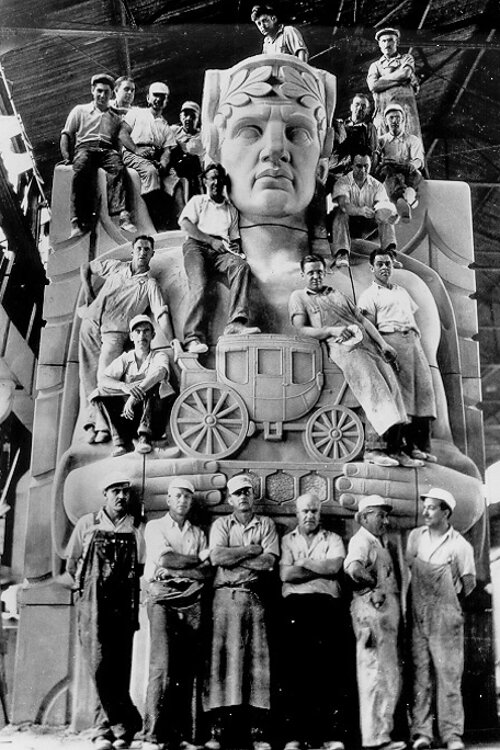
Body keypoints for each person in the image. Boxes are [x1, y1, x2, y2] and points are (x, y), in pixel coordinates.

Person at [289, 255, 424, 468]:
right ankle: (374, 449)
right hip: (344, 349)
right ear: (303, 274)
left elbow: (362, 321)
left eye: (319, 271)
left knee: (393, 386)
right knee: (374, 387)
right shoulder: (299, 297)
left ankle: (396, 449)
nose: (315, 276)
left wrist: (383, 345)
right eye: (311, 272)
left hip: (368, 345)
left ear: (325, 272)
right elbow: (301, 329)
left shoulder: (338, 294)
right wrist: (330, 330)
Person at [66, 471, 145, 750]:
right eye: (115, 491)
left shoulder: (136, 527)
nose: (121, 497)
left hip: (123, 603)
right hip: (92, 603)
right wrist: (86, 593)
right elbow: (72, 564)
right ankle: (122, 723)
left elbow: (142, 568)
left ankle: (108, 731)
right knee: (99, 664)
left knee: (120, 664)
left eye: (125, 492)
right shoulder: (87, 523)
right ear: (105, 495)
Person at [205, 474, 279, 750]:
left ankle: (257, 731)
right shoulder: (221, 524)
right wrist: (250, 550)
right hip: (224, 598)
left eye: (247, 492)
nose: (244, 496)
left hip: (254, 597)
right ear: (230, 499)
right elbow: (217, 558)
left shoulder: (267, 524)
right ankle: (218, 730)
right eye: (238, 493)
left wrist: (236, 559)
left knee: (256, 665)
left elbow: (269, 562)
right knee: (222, 662)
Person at [79, 234, 172, 443]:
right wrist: (88, 295)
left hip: (114, 333)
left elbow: (161, 314)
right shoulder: (116, 267)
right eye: (139, 248)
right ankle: (93, 423)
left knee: (104, 377)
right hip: (91, 321)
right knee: (87, 373)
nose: (142, 253)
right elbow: (86, 267)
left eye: (147, 250)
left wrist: (173, 339)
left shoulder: (150, 285)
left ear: (152, 254)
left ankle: (106, 428)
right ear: (133, 251)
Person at [142, 478, 212, 750]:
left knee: (187, 666)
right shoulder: (154, 526)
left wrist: (175, 569)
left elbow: (205, 572)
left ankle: (184, 735)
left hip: (192, 597)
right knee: (162, 666)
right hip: (162, 597)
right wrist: (180, 565)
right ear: (168, 500)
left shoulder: (198, 533)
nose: (182, 500)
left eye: (187, 496)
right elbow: (165, 559)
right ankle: (153, 736)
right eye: (177, 496)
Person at [406, 488, 476, 750]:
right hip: (418, 614)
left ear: (446, 512)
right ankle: (422, 733)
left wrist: (450, 612)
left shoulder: (460, 546)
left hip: (446, 617)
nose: (425, 511)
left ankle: (451, 735)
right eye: (425, 506)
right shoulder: (415, 538)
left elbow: (468, 585)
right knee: (420, 675)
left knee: (448, 676)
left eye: (432, 507)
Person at [280, 492, 348, 750]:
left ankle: (330, 737)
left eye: (314, 511)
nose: (310, 515)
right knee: (296, 674)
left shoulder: (334, 539)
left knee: (328, 673)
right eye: (305, 511)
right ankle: (296, 737)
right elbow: (286, 573)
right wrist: (317, 566)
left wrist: (305, 563)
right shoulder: (287, 540)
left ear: (320, 513)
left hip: (326, 608)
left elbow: (334, 568)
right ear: (296, 514)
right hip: (295, 609)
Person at [358, 249, 437, 462]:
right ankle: (393, 449)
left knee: (423, 394)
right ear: (372, 267)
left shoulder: (402, 291)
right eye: (380, 264)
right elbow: (367, 326)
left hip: (413, 342)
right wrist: (383, 346)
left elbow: (410, 316)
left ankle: (414, 447)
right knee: (400, 398)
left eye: (388, 264)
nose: (385, 267)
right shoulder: (369, 295)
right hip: (391, 343)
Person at [344, 495, 405, 750]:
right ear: (365, 517)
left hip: (384, 618)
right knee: (373, 676)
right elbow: (354, 568)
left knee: (387, 676)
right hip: (371, 615)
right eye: (380, 515)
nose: (385, 520)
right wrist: (373, 585)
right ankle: (374, 739)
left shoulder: (379, 541)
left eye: (385, 515)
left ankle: (382, 735)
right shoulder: (361, 540)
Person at [179, 162, 260, 354]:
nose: (215, 181)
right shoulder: (198, 201)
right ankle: (192, 337)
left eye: (218, 177)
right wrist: (209, 240)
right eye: (211, 177)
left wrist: (233, 247)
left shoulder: (231, 210)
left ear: (224, 181)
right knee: (199, 283)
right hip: (196, 246)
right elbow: (186, 224)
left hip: (221, 251)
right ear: (205, 181)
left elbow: (234, 238)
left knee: (241, 266)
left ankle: (235, 324)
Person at [60, 73, 137, 238]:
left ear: (111, 94)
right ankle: (76, 221)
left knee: (118, 167)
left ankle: (123, 215)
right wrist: (67, 156)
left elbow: (118, 140)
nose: (102, 95)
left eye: (106, 92)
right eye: (99, 91)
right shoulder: (79, 110)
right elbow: (66, 134)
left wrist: (121, 154)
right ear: (92, 91)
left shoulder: (115, 116)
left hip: (106, 151)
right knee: (80, 170)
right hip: (85, 148)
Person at [92, 314, 174, 456]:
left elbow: (160, 373)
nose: (142, 335)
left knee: (152, 384)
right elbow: (104, 379)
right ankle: (123, 443)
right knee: (99, 393)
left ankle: (145, 438)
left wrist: (133, 396)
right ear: (131, 336)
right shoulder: (125, 358)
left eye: (146, 331)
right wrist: (123, 386)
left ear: (153, 335)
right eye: (138, 331)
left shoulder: (159, 356)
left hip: (155, 420)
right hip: (131, 418)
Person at [122, 82, 177, 230]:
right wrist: (135, 149)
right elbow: (122, 133)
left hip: (154, 157)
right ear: (148, 98)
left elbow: (167, 150)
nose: (158, 99)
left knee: (172, 179)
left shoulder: (165, 126)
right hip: (132, 153)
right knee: (150, 172)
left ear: (166, 101)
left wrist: (164, 163)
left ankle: (172, 220)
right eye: (155, 95)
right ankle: (154, 223)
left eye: (162, 96)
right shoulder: (136, 113)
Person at [330, 152, 397, 267]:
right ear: (352, 166)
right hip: (348, 225)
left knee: (385, 212)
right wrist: (361, 211)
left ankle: (390, 254)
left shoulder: (377, 186)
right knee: (340, 212)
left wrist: (384, 212)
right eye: (359, 166)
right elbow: (344, 205)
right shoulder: (343, 182)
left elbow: (381, 205)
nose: (363, 170)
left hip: (367, 225)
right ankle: (342, 254)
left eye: (366, 166)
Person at [367, 28, 421, 140]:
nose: (387, 44)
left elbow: (405, 73)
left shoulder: (406, 58)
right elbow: (373, 86)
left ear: (397, 42)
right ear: (379, 45)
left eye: (390, 40)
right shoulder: (375, 66)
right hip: (382, 112)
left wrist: (382, 81)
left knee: (410, 145)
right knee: (383, 147)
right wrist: (399, 80)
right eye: (383, 41)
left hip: (406, 111)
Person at [376, 103, 424, 221]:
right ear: (386, 122)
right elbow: (376, 160)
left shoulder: (412, 140)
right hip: (390, 171)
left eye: (398, 118)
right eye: (391, 118)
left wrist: (412, 165)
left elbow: (418, 160)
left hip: (406, 169)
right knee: (388, 175)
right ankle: (403, 200)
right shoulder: (381, 141)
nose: (394, 121)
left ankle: (406, 199)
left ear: (403, 120)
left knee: (416, 174)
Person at [331, 94, 378, 177]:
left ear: (367, 110)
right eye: (357, 104)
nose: (360, 108)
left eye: (364, 106)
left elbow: (372, 154)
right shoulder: (341, 125)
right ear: (351, 107)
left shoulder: (369, 128)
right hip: (337, 168)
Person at [170, 100, 204, 212]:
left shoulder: (202, 135)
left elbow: (194, 150)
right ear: (180, 117)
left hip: (193, 171)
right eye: (185, 115)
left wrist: (178, 144)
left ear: (198, 119)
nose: (188, 119)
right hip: (173, 167)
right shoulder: (174, 130)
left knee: (192, 161)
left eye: (192, 116)